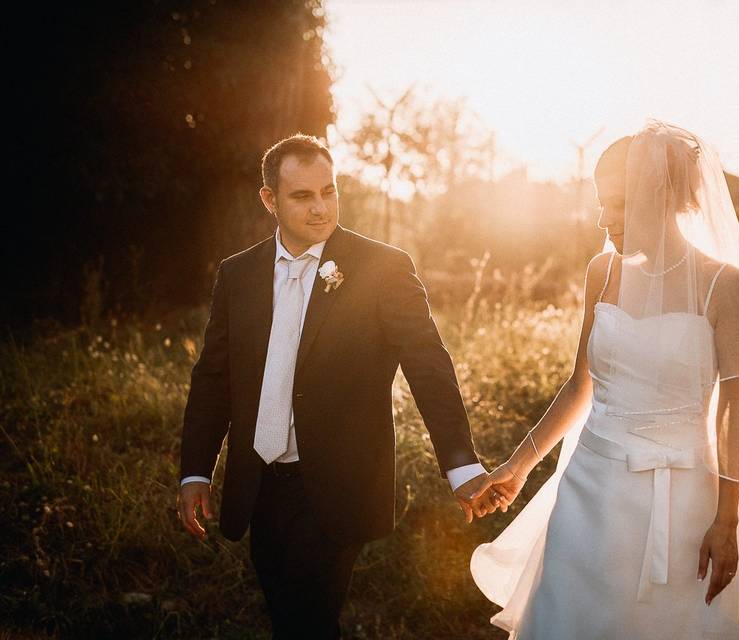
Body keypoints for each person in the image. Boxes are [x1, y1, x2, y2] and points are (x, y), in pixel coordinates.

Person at [470, 120, 739, 639]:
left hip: (686, 497)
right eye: (599, 202)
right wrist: (518, 466)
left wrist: (726, 521)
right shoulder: (603, 272)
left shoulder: (725, 286)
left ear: (659, 195)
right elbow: (580, 386)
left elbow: (732, 409)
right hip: (590, 490)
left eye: (615, 202)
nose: (602, 218)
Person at [175, 134, 501, 639]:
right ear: (269, 200)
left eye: (328, 191)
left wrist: (461, 465)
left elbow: (428, 364)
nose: (320, 208)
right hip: (258, 482)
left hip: (334, 486)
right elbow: (214, 377)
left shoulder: (383, 268)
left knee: (310, 620)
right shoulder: (237, 275)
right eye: (302, 196)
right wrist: (195, 469)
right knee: (285, 614)